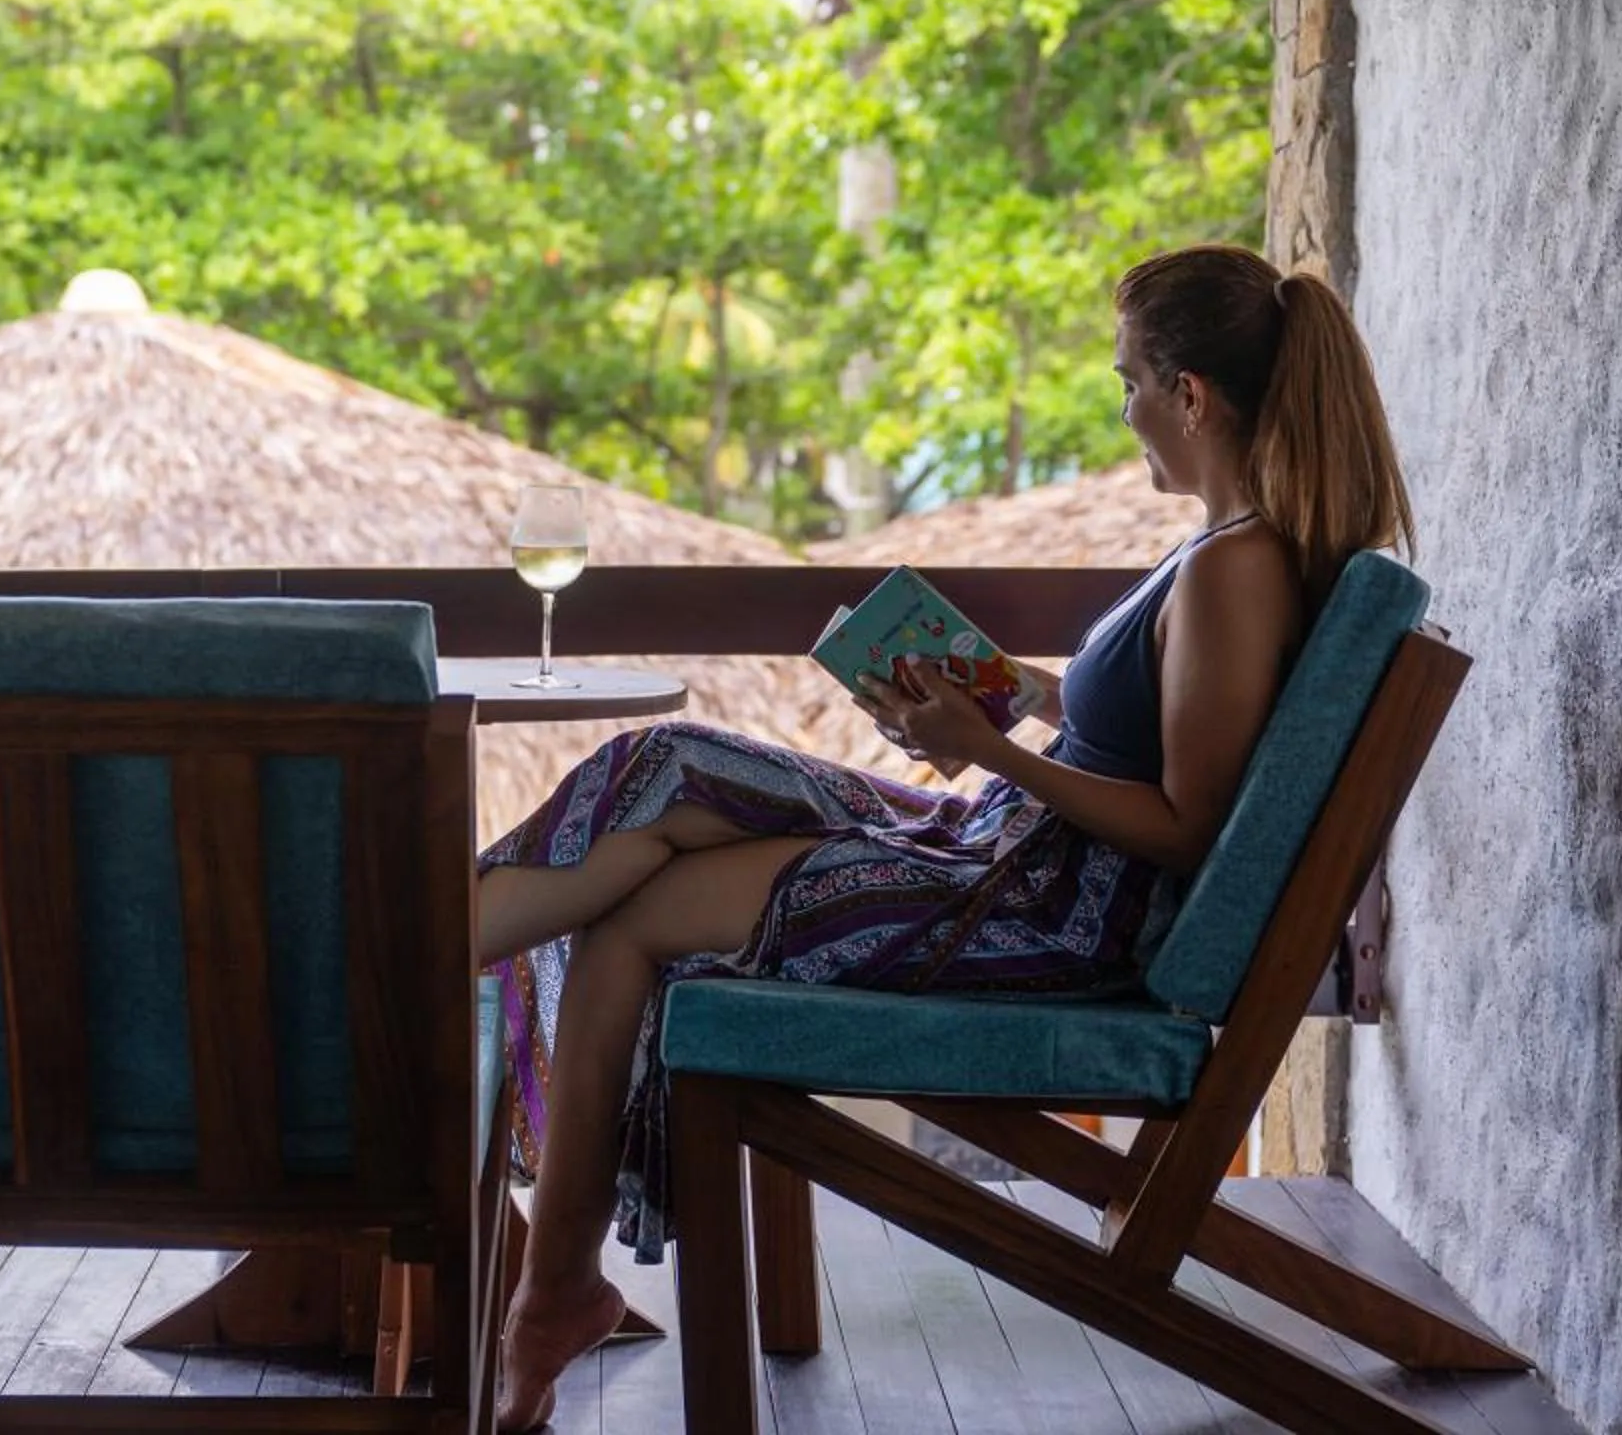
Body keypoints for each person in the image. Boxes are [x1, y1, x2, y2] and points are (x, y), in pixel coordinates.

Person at [477, 243, 1415, 1431]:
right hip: (1002, 853)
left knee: (636, 912)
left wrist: (988, 749)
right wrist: (1008, 694)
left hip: (1038, 909)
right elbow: (1143, 734)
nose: (1124, 407)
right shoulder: (1221, 548)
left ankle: (433, 1084)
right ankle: (535, 1249)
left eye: (1130, 381)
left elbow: (1185, 826)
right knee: (662, 766)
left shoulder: (1239, 568)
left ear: (1191, 395)